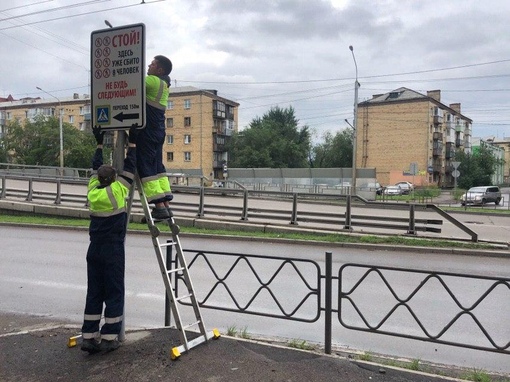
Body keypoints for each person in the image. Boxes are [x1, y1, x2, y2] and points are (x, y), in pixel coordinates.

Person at [81, 125, 138, 354]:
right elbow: (131, 169)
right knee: (114, 291)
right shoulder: (118, 191)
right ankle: (110, 336)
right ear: (113, 179)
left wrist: (98, 144)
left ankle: (89, 336)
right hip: (113, 249)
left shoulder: (93, 191)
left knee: (94, 291)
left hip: (94, 249)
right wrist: (132, 144)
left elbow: (96, 169)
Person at [136, 54, 174, 220]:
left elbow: (130, 82)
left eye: (152, 64)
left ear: (160, 69)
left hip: (148, 130)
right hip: (159, 130)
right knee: (157, 166)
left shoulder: (152, 81)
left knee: (145, 165)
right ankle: (166, 205)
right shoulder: (164, 84)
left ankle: (158, 206)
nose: (149, 66)